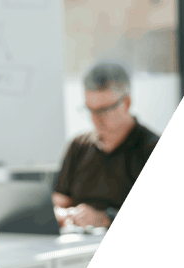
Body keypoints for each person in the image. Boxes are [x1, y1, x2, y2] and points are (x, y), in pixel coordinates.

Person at [53, 62, 159, 229]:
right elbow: (59, 201)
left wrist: (105, 219)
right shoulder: (79, 146)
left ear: (127, 103)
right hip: (76, 243)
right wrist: (60, 215)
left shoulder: (151, 148)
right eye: (90, 110)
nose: (96, 119)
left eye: (104, 110)